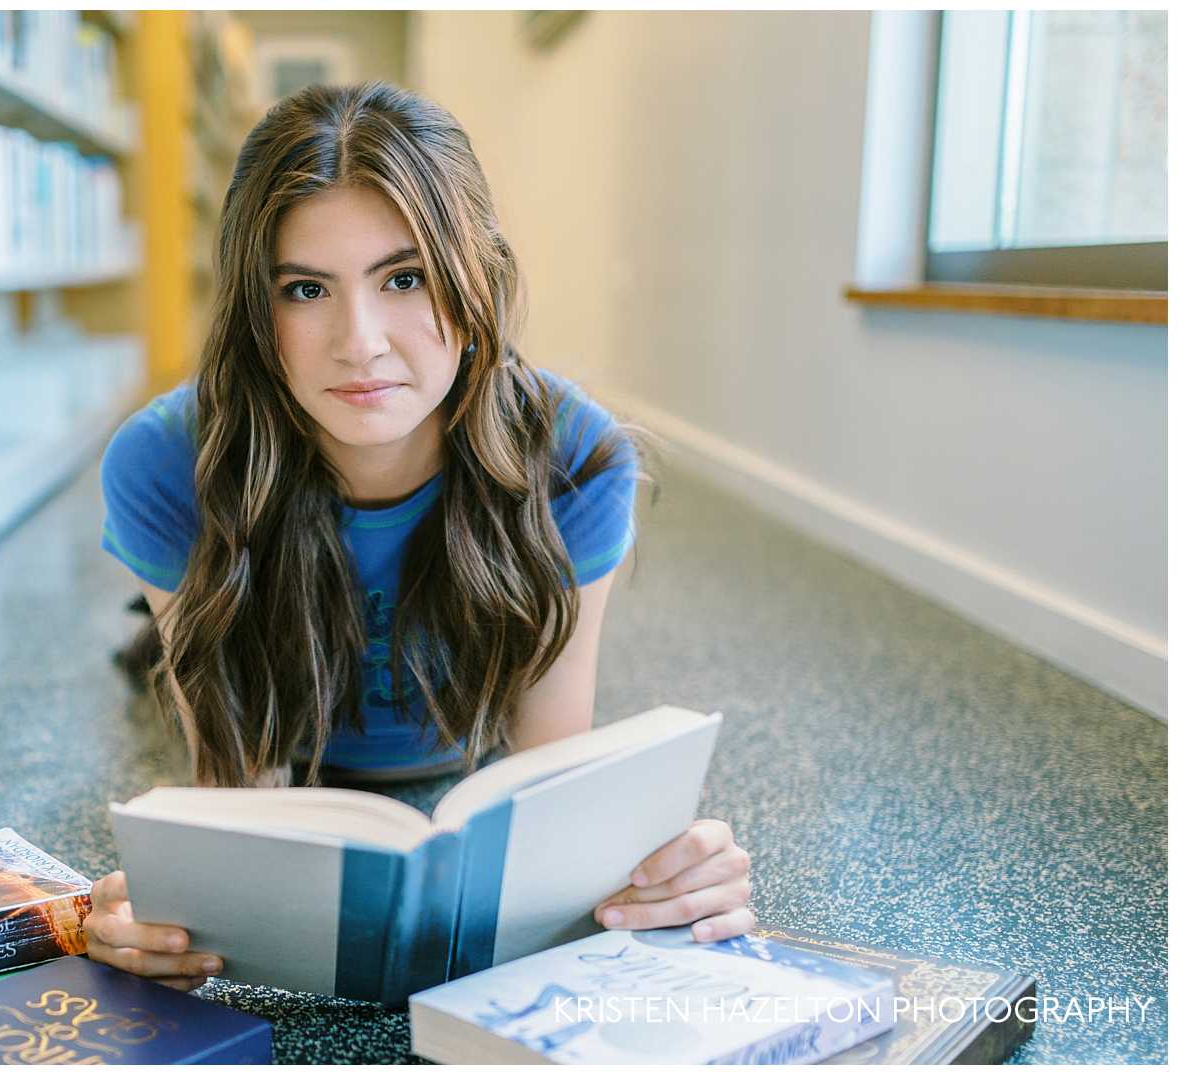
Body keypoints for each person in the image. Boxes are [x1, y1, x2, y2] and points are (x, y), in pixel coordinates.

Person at [87, 81, 752, 992]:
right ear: (255, 308)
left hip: (465, 736)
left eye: (404, 278)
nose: (360, 343)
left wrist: (666, 878)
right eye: (306, 288)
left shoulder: (575, 456)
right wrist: (166, 919)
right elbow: (240, 800)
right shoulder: (165, 463)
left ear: (474, 280)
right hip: (290, 714)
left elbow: (549, 790)